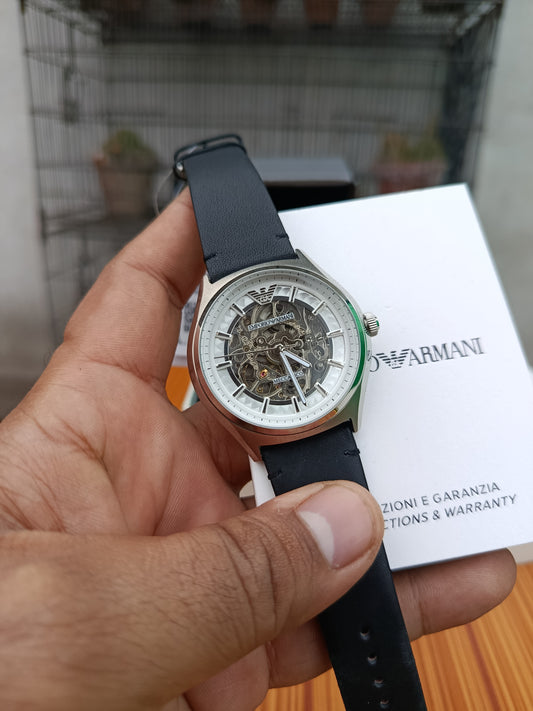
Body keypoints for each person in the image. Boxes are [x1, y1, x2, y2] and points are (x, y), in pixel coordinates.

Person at [0, 191, 516, 711]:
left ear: (360, 327)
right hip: (286, 406)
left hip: (305, 398)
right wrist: (263, 571)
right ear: (202, 364)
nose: (282, 345)